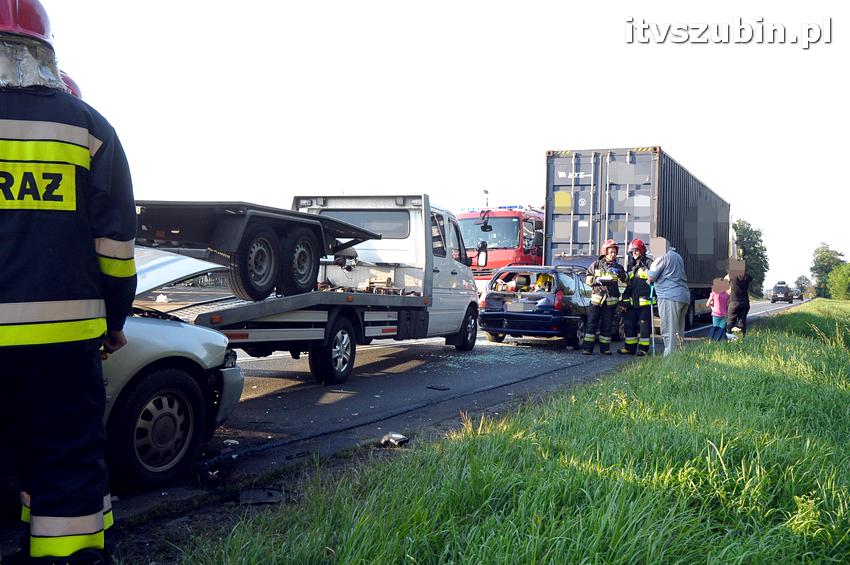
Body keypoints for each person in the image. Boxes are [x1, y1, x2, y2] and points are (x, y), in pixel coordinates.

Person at [0, 1, 137, 562]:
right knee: (66, 472)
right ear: (43, 55)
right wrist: (113, 323)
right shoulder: (88, 127)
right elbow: (116, 251)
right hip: (62, 348)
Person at [583, 239, 627, 355]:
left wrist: (621, 273)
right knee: (592, 324)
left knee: (607, 326)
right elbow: (587, 279)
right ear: (605, 252)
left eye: (614, 252)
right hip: (597, 301)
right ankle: (587, 348)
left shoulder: (618, 267)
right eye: (611, 252)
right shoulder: (596, 265)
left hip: (610, 302)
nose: (613, 254)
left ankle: (605, 348)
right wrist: (596, 280)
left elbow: (626, 279)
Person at [647, 242, 689, 356]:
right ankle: (680, 356)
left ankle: (669, 359)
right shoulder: (677, 256)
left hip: (669, 296)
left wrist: (646, 273)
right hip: (683, 296)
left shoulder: (662, 256)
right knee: (678, 331)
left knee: (669, 330)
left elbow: (651, 277)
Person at [618, 239, 654, 356]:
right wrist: (624, 301)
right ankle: (630, 348)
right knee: (629, 324)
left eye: (637, 250)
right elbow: (628, 285)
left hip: (645, 302)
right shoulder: (631, 265)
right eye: (632, 251)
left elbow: (655, 276)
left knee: (644, 326)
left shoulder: (649, 263)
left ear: (642, 250)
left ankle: (643, 349)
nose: (634, 253)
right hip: (632, 302)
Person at [727, 266, 752, 336]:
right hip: (745, 303)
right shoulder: (747, 278)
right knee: (742, 322)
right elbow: (750, 278)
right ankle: (741, 339)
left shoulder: (733, 277)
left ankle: (729, 338)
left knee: (731, 322)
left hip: (734, 302)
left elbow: (726, 278)